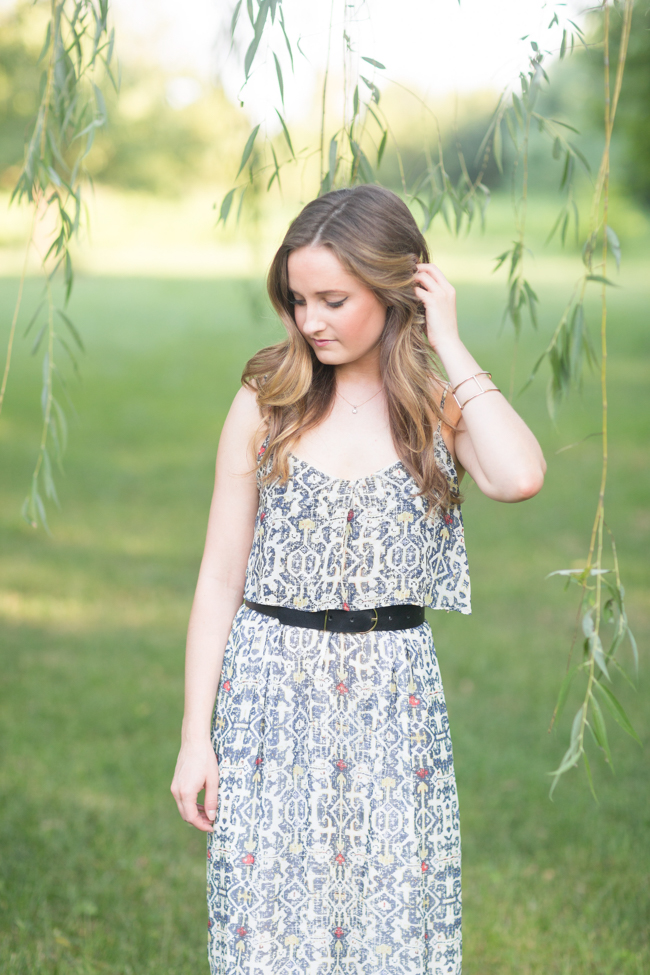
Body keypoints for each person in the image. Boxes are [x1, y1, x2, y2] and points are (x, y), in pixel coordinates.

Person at [171, 184, 546, 975]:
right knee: (270, 923)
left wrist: (449, 342)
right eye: (298, 299)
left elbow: (518, 476)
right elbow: (220, 576)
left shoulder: (432, 406)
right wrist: (195, 735)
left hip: (391, 694)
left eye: (334, 300)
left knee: (391, 923)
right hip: (272, 692)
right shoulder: (267, 401)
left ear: (394, 288)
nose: (311, 320)